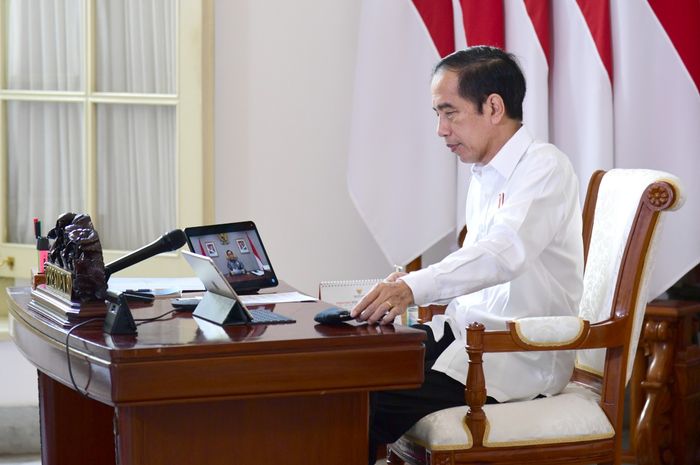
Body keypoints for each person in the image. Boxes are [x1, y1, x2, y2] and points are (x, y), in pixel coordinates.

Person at [350, 46, 584, 465]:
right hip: (463, 339)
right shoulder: (484, 174)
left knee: (356, 404)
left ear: (493, 107)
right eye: (437, 115)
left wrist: (412, 287)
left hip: (509, 358)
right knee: (345, 374)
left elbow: (503, 254)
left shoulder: (545, 167)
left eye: (449, 112)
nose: (441, 130)